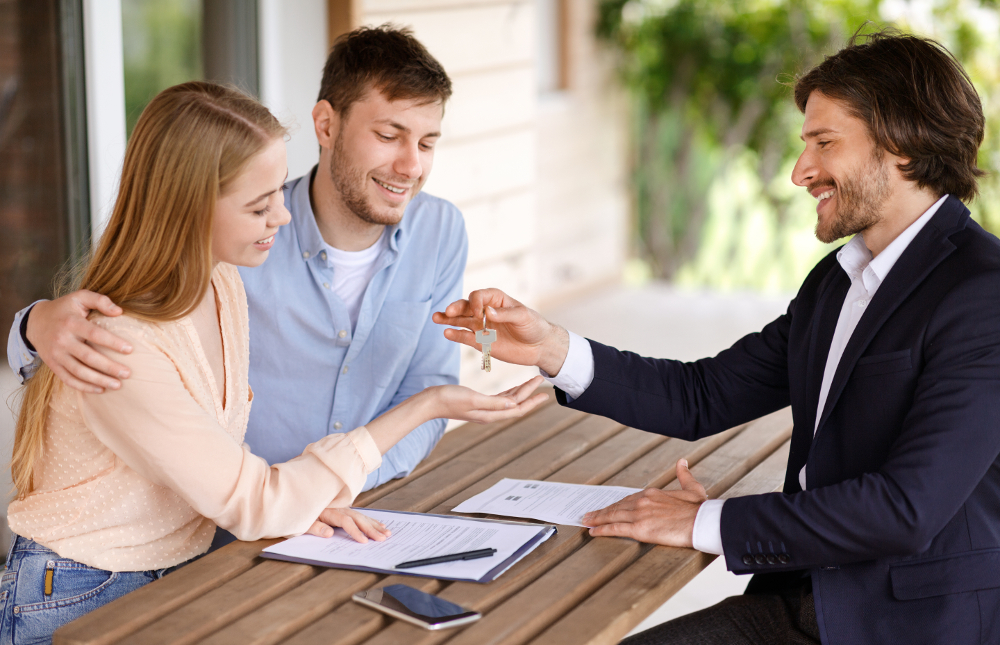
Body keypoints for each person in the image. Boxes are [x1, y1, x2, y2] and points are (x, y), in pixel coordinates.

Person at [434, 30, 1000, 645]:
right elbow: (702, 394)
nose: (799, 171)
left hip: (906, 626)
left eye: (824, 143)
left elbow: (904, 509)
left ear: (902, 145)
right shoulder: (839, 282)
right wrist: (551, 348)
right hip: (802, 602)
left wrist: (707, 521)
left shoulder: (982, 293)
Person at [0, 81, 546, 644]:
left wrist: (300, 504)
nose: (283, 218)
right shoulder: (123, 344)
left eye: (279, 195)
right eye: (260, 205)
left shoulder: (222, 283)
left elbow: (220, 465)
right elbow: (253, 501)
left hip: (181, 565)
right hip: (80, 594)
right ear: (188, 208)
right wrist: (429, 406)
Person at [7, 25, 462, 501]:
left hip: (351, 508)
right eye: (390, 136)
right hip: (231, 525)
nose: (412, 166)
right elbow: (124, 316)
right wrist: (31, 326)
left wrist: (327, 488)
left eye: (428, 144)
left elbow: (429, 384)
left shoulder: (440, 231)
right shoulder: (238, 235)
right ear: (326, 125)